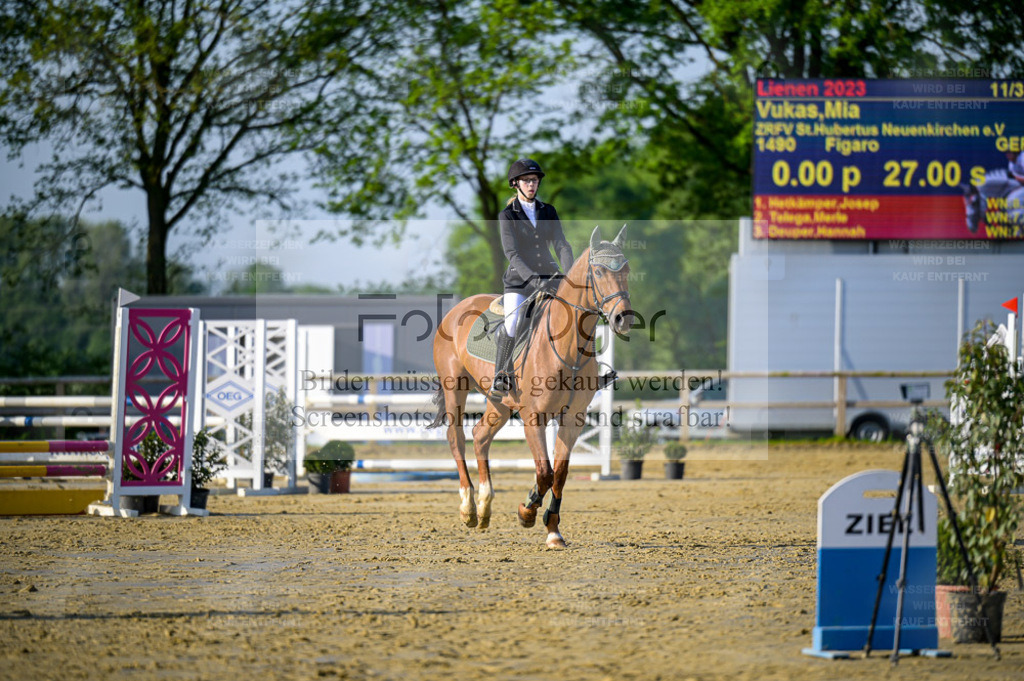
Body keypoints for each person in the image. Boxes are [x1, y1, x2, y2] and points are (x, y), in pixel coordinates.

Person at [491, 158, 574, 398]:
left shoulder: (548, 211)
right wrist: (534, 280)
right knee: (513, 322)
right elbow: (512, 254)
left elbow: (561, 245)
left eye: (534, 180)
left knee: (578, 310)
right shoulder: (508, 215)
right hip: (520, 282)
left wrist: (569, 276)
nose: (531, 184)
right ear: (515, 184)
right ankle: (501, 374)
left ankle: (590, 369)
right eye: (527, 180)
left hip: (550, 276)